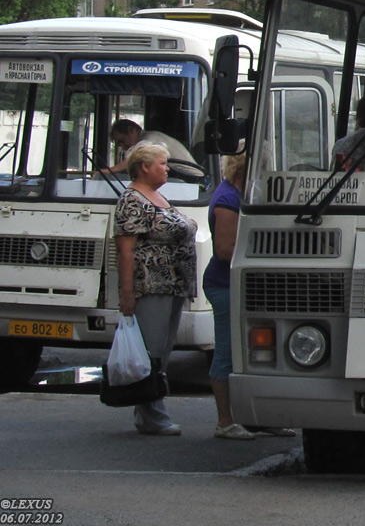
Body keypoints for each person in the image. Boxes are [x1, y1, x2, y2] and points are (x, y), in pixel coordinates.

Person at [203, 152, 293, 440]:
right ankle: (225, 421)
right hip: (225, 284)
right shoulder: (228, 198)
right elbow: (225, 251)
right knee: (228, 352)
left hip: (247, 285)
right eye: (266, 164)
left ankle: (259, 417)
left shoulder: (243, 194)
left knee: (263, 352)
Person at [114, 142, 197, 436]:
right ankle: (153, 415)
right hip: (150, 285)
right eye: (162, 163)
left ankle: (148, 410)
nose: (167, 168)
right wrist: (127, 295)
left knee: (163, 350)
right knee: (152, 352)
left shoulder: (157, 196)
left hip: (172, 285)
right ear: (144, 167)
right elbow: (125, 251)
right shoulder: (132, 200)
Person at [106, 119, 197, 175]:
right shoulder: (148, 138)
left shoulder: (150, 139)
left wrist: (107, 171)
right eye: (119, 145)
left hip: (189, 178)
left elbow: (134, 159)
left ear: (131, 130)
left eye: (122, 141)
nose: (122, 147)